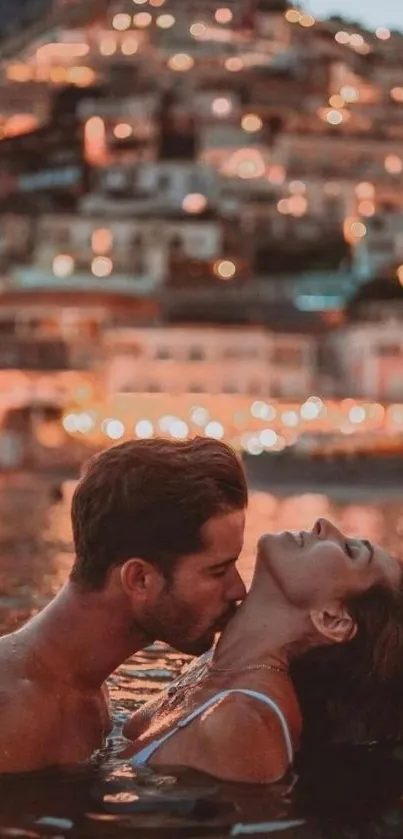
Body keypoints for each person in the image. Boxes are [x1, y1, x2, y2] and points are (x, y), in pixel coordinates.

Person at [0, 437, 248, 773]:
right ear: (139, 579)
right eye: (218, 570)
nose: (238, 589)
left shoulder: (83, 689)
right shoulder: (12, 713)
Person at [122, 518, 403, 784]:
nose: (323, 524)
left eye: (350, 551)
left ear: (333, 620)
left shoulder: (245, 721)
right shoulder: (214, 665)